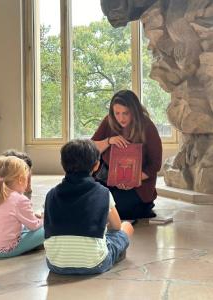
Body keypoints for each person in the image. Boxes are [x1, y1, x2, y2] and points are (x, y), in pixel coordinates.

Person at [44, 139, 134, 275]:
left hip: (56, 264)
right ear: (97, 165)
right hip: (95, 264)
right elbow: (116, 226)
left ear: (63, 164)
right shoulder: (103, 193)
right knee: (126, 227)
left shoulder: (51, 194)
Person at [92, 89, 162, 220]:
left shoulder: (147, 126)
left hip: (138, 185)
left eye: (125, 113)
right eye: (117, 113)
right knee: (94, 202)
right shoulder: (108, 121)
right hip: (107, 179)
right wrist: (109, 141)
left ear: (134, 111)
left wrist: (132, 179)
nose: (121, 118)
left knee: (116, 209)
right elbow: (90, 149)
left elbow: (155, 165)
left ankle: (144, 205)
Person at [0, 156, 44, 258]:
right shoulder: (20, 199)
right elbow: (34, 226)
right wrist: (43, 219)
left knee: (23, 227)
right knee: (47, 229)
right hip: (6, 250)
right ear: (20, 180)